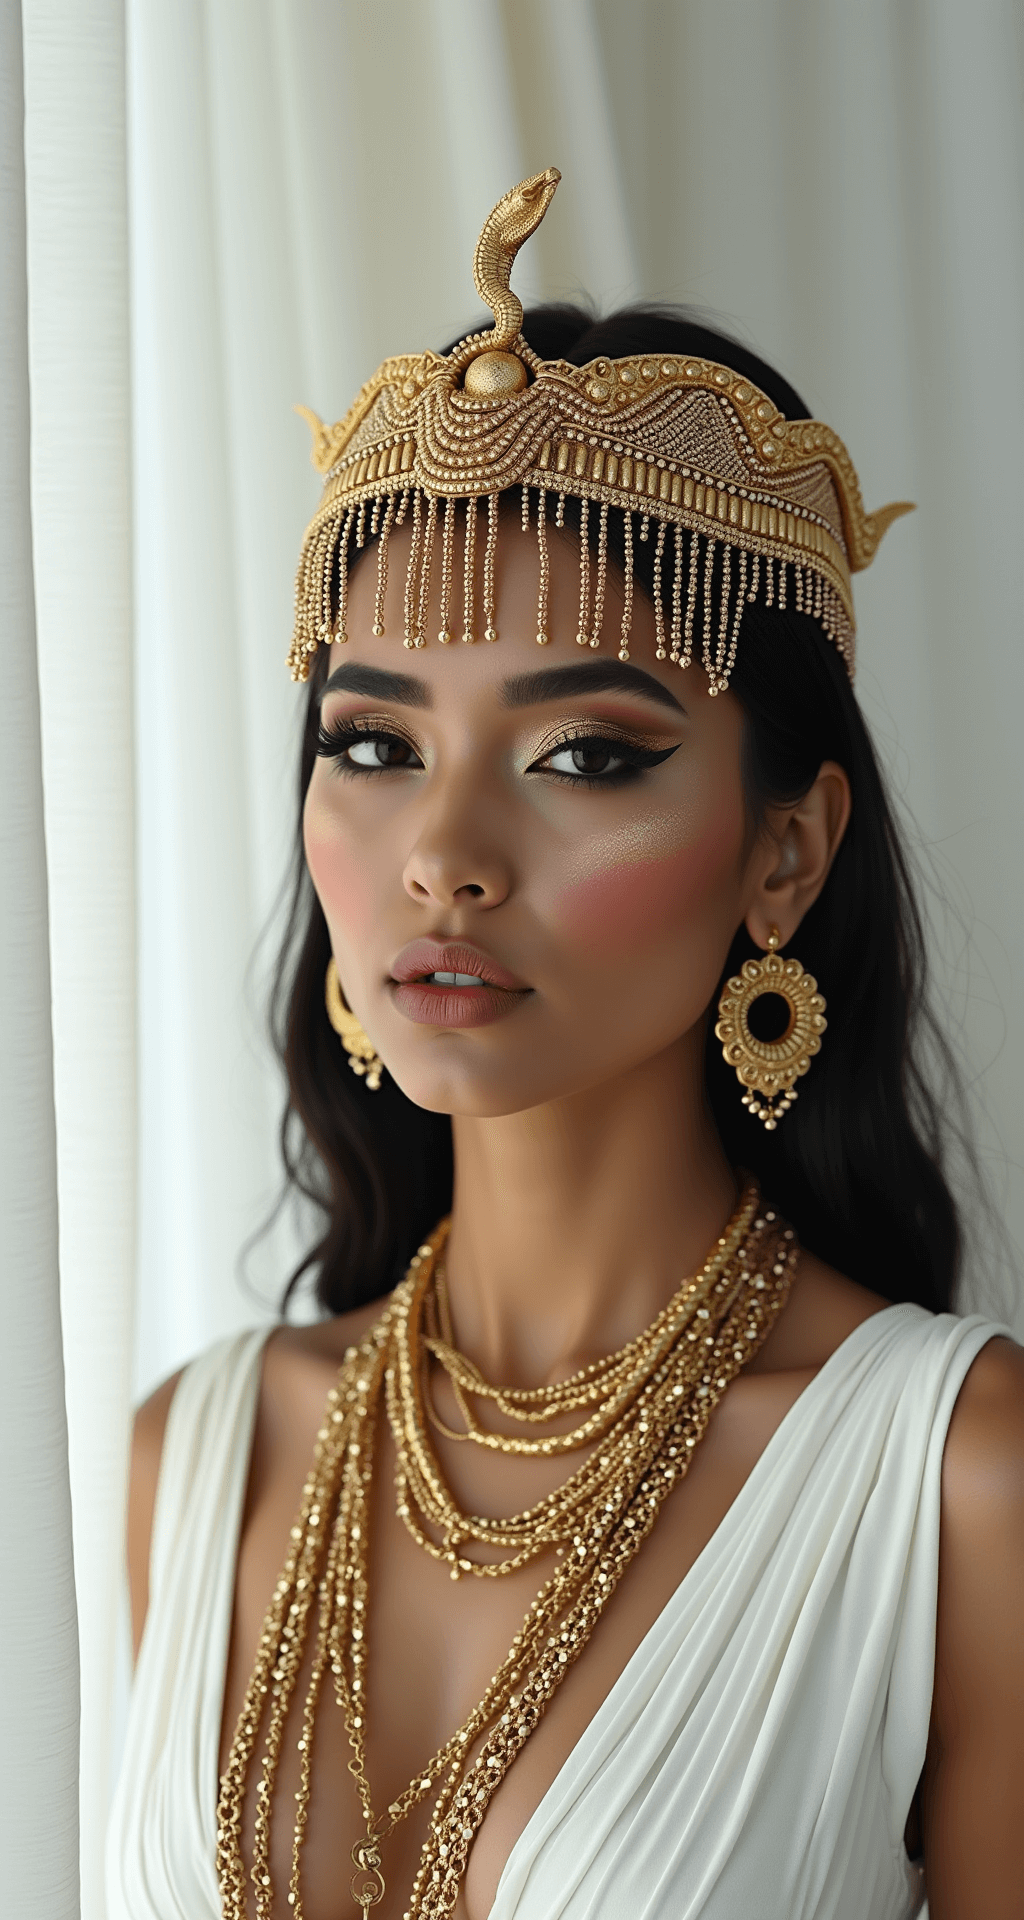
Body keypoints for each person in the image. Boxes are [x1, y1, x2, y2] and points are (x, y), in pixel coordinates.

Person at [109, 173, 1024, 1920]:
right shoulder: (197, 1456)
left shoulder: (957, 1478)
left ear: (789, 850)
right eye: (374, 746)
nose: (444, 852)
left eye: (586, 755)